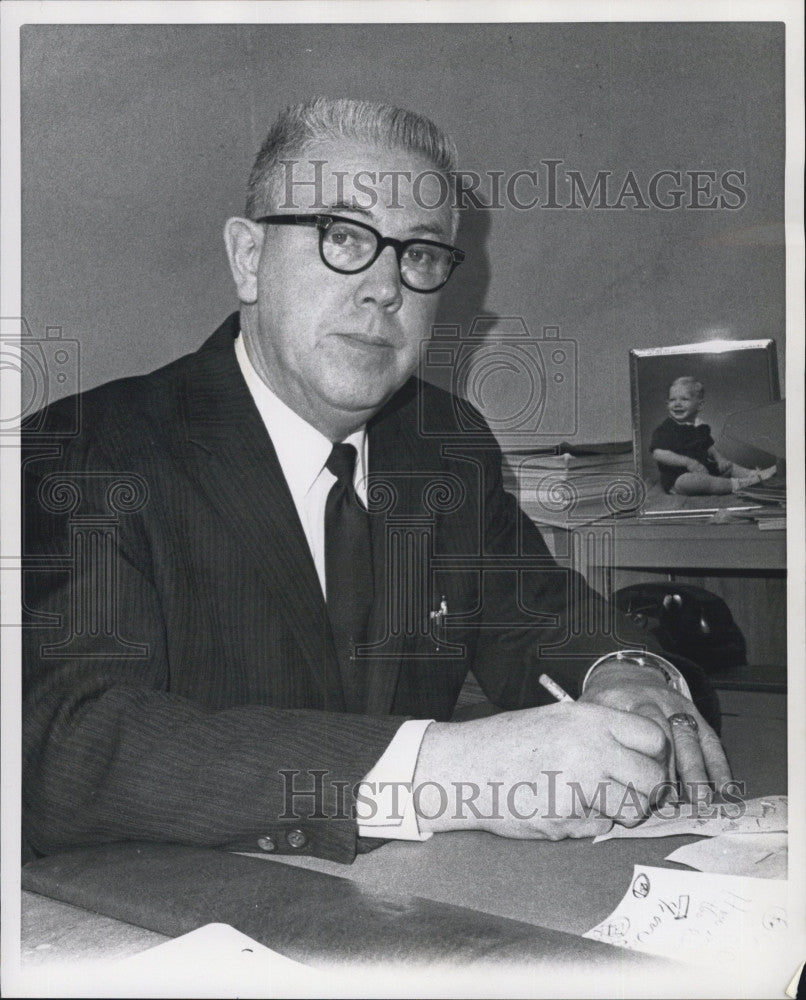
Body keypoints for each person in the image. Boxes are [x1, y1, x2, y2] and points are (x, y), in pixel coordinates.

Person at [22, 99, 732, 866]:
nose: (386, 287)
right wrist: (449, 773)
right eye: (345, 237)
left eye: (420, 254)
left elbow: (532, 612)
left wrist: (626, 674)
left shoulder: (444, 443)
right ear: (248, 258)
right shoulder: (91, 450)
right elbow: (65, 746)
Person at [650, 376, 776, 496]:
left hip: (704, 469)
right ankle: (739, 484)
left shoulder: (701, 427)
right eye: (672, 400)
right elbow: (658, 453)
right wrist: (688, 462)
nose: (677, 404)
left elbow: (709, 448)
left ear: (700, 405)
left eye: (684, 399)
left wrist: (720, 459)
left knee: (729, 467)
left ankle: (754, 475)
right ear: (667, 404)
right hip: (677, 477)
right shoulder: (666, 429)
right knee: (693, 481)